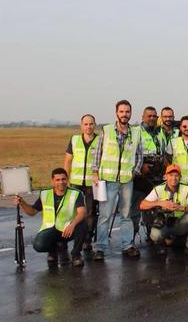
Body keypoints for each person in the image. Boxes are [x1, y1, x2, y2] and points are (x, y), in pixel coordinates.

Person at [92, 99, 144, 261]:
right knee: (105, 215)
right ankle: (100, 248)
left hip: (127, 180)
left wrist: (134, 172)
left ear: (130, 113)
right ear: (116, 113)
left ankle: (127, 245)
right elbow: (98, 152)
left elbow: (139, 155)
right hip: (108, 180)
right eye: (121, 111)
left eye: (127, 112)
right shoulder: (106, 130)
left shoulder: (136, 132)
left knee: (126, 215)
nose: (124, 114)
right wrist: (95, 173)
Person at [15, 168, 87, 267]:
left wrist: (73, 224)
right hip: (51, 229)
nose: (61, 182)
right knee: (38, 245)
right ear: (52, 181)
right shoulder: (45, 194)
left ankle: (76, 255)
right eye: (58, 180)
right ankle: (53, 250)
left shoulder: (76, 193)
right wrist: (22, 202)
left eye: (63, 179)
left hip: (68, 229)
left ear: (67, 179)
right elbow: (32, 212)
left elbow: (82, 212)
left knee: (83, 224)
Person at [140, 165, 188, 256]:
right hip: (163, 224)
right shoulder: (158, 189)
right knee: (155, 235)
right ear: (165, 176)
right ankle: (161, 244)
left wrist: (181, 208)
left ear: (180, 177)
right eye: (171, 175)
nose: (174, 178)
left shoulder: (186, 188)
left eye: (176, 175)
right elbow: (142, 205)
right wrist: (160, 203)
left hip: (179, 222)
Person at [63, 114, 99, 252]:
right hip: (75, 183)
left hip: (92, 184)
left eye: (91, 124)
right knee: (74, 212)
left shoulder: (100, 140)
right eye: (86, 124)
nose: (88, 126)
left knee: (90, 213)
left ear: (94, 125)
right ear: (81, 126)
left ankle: (87, 239)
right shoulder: (74, 139)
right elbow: (68, 161)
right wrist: (65, 179)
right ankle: (69, 237)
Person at [131, 106, 165, 242]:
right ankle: (130, 240)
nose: (152, 118)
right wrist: (140, 166)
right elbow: (130, 153)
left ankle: (152, 236)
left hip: (156, 174)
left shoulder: (159, 132)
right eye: (149, 116)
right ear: (143, 117)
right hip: (140, 175)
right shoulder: (136, 131)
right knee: (136, 208)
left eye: (154, 116)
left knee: (155, 207)